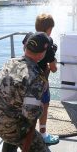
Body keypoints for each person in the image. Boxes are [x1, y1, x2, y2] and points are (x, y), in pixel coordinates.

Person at [0, 32, 50, 152]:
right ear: (42, 54)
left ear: (26, 47)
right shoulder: (36, 77)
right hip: (7, 126)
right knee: (40, 149)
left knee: (16, 119)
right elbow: (30, 114)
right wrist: (41, 106)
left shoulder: (11, 62)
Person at [22, 13, 59, 144]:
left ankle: (25, 134)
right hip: (41, 82)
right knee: (44, 106)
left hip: (26, 77)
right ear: (49, 29)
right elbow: (53, 69)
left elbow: (25, 52)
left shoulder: (28, 36)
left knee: (27, 105)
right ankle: (43, 134)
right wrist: (53, 58)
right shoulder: (48, 44)